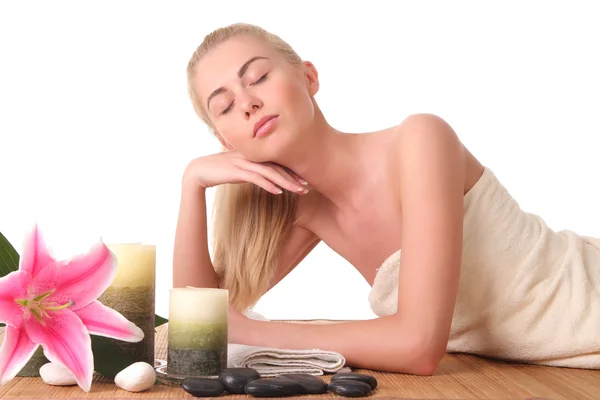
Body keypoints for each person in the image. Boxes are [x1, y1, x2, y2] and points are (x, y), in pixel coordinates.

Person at [172, 22, 600, 375]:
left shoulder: (420, 141)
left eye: (258, 77)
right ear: (223, 140)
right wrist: (193, 183)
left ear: (309, 77)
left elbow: (417, 346)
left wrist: (251, 333)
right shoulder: (300, 209)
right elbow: (201, 324)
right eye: (224, 107)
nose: (247, 103)